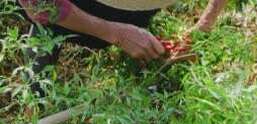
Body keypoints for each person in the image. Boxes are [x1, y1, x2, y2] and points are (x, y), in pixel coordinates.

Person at [17, 0, 227, 94]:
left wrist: (204, 24)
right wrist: (116, 33)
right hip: (65, 9)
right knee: (46, 40)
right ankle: (36, 98)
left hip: (130, 9)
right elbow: (39, 5)